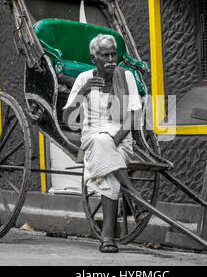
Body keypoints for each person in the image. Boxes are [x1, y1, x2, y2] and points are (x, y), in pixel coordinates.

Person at [63, 34, 148, 253]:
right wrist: (83, 92)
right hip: (92, 134)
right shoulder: (83, 79)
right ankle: (132, 192)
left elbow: (133, 117)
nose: (111, 60)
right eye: (105, 55)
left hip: (121, 136)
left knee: (106, 154)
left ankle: (107, 237)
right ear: (94, 58)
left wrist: (114, 140)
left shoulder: (126, 76)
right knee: (100, 141)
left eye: (114, 54)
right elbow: (68, 119)